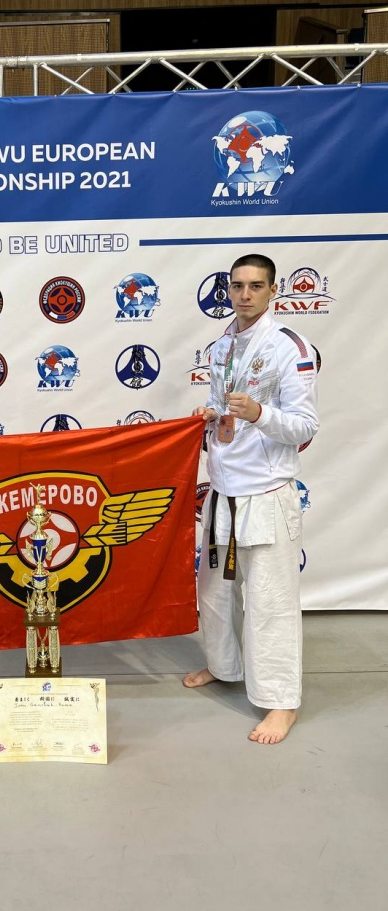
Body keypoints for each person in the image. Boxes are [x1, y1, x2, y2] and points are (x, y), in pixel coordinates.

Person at [183, 254, 319, 744]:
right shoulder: (223, 345)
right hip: (223, 490)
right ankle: (224, 667)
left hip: (265, 493)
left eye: (255, 286)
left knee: (269, 602)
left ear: (273, 290)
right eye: (237, 285)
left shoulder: (290, 347)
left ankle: (282, 702)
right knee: (215, 595)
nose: (245, 295)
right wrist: (209, 416)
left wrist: (261, 413)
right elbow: (223, 408)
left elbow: (305, 426)